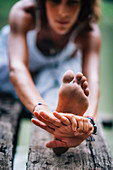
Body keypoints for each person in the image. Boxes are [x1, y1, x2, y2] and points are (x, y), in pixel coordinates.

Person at [0, 0, 101, 154]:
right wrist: (40, 107)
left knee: (67, 79)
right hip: (9, 68)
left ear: (84, 5)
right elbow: (17, 68)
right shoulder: (24, 13)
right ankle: (58, 118)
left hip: (51, 74)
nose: (63, 12)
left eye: (72, 2)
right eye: (54, 1)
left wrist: (87, 121)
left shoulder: (88, 32)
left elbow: (93, 80)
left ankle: (64, 127)